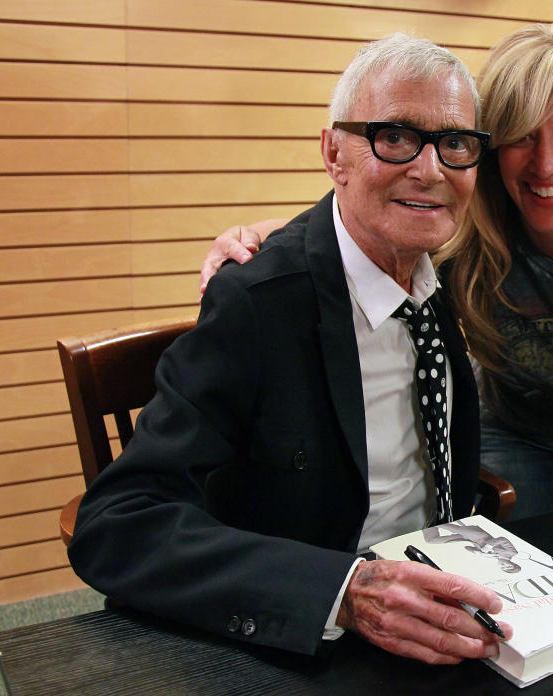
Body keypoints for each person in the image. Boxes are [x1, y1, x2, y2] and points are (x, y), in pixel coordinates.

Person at [200, 23, 553, 520]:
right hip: (514, 421)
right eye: (521, 135)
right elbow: (356, 220)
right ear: (490, 149)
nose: (546, 164)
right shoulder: (461, 234)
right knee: (506, 566)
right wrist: (256, 234)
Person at [67, 33, 513, 666]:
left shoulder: (439, 272)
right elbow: (118, 523)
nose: (430, 168)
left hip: (445, 597)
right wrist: (344, 593)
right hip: (312, 627)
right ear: (336, 152)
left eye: (456, 143)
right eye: (394, 137)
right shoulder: (256, 304)